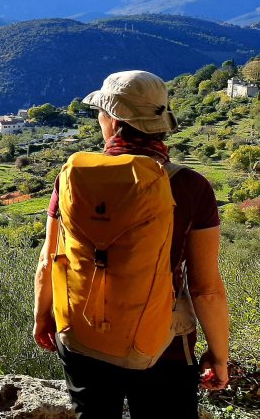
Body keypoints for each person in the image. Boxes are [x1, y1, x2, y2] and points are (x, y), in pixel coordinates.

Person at [32, 70, 230, 418]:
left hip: (82, 335)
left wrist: (44, 318)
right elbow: (206, 289)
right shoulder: (190, 186)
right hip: (164, 346)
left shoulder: (72, 177)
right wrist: (219, 354)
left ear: (111, 120)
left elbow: (49, 261)